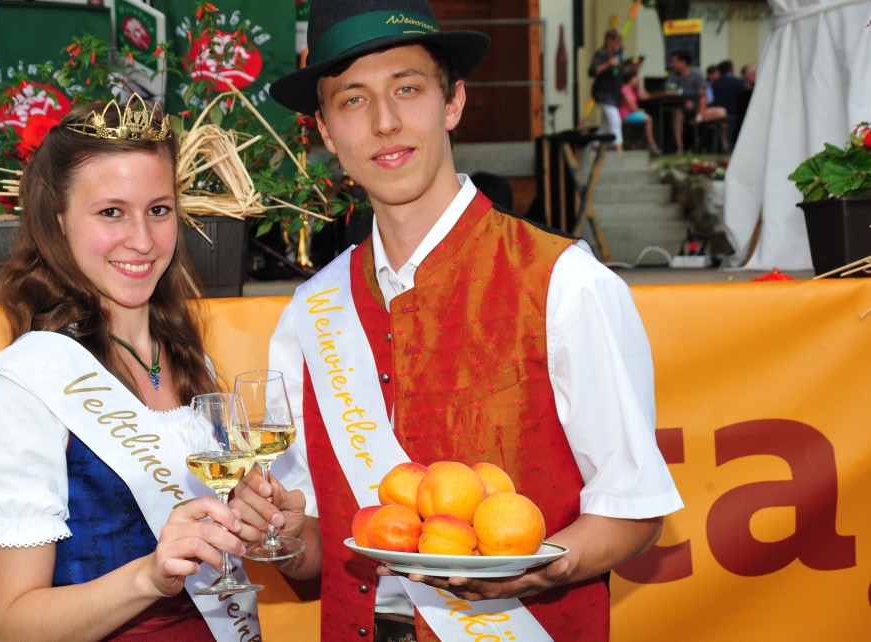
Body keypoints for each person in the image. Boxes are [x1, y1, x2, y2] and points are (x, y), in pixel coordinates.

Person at [230, 1, 684, 641]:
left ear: (453, 103)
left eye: (407, 89)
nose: (386, 123)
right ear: (327, 133)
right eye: (353, 100)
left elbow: (633, 513)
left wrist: (538, 571)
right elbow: (314, 552)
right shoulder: (311, 310)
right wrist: (270, 530)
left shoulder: (565, 283)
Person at [0, 97, 260, 641]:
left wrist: (254, 517)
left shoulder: (189, 357)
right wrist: (150, 576)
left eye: (158, 210)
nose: (142, 240)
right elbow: (15, 626)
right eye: (111, 212)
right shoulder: (23, 386)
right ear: (58, 219)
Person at [588, 28, 625, 151]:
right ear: (609, 40)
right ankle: (619, 150)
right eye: (617, 42)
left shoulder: (616, 56)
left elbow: (621, 73)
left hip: (613, 94)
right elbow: (593, 71)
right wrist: (608, 64)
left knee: (605, 126)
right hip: (603, 94)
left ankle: (592, 146)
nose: (619, 45)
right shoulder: (601, 54)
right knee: (615, 121)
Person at [666, 50, 710, 153]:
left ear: (683, 62)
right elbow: (668, 91)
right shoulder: (673, 75)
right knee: (677, 113)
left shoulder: (697, 73)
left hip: (697, 108)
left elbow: (703, 96)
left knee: (721, 112)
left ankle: (719, 147)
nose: (672, 64)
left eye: (675, 61)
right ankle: (680, 147)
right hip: (681, 108)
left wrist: (700, 113)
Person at [620, 68, 660, 153]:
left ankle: (640, 145)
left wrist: (639, 85)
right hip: (626, 115)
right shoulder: (625, 89)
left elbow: (644, 96)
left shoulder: (633, 90)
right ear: (630, 78)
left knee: (645, 118)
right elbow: (632, 107)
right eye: (636, 78)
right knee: (648, 119)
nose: (638, 80)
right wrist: (640, 112)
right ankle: (651, 144)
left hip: (633, 114)